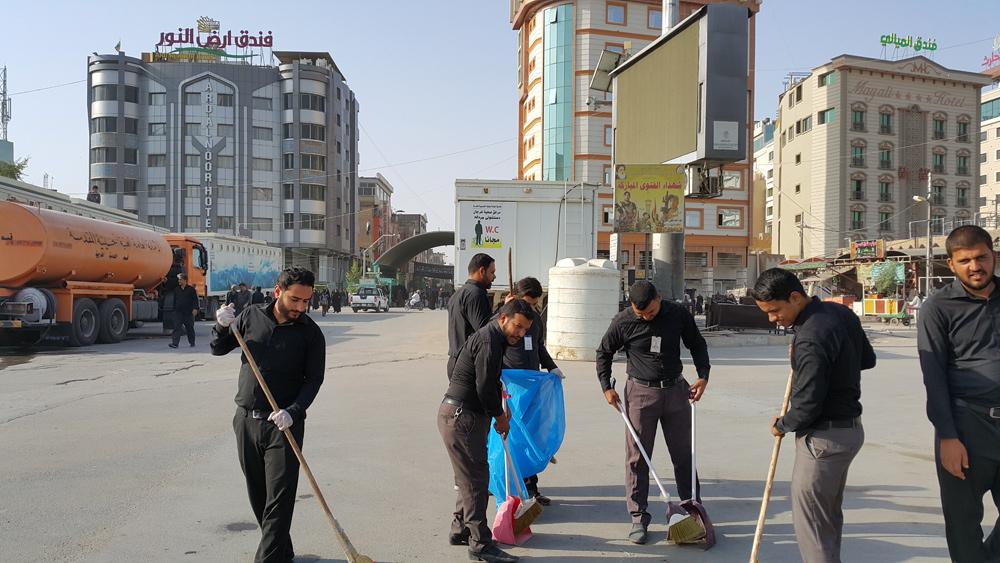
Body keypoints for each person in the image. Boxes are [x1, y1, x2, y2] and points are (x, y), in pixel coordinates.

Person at [751, 268, 875, 563]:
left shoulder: (810, 337)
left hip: (823, 442)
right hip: (849, 432)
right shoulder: (840, 314)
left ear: (795, 297)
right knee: (827, 516)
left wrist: (783, 424)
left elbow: (807, 405)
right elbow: (867, 360)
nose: (772, 319)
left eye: (775, 310)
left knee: (813, 527)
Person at [211, 267, 325, 563]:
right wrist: (223, 326)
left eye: (306, 301)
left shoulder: (310, 334)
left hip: (284, 427)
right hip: (246, 421)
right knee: (260, 498)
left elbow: (314, 380)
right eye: (295, 300)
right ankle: (282, 553)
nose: (301, 307)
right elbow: (218, 348)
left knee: (280, 501)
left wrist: (294, 411)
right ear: (278, 292)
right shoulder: (251, 316)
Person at [596, 281, 710, 544]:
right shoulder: (623, 321)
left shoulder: (678, 314)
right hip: (640, 393)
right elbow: (604, 353)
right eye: (640, 314)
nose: (645, 317)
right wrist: (606, 387)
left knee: (683, 455)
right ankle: (638, 518)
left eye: (649, 312)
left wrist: (703, 376)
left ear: (659, 298)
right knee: (638, 458)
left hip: (676, 391)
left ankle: (693, 511)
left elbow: (697, 343)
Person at [918, 225, 1000, 562]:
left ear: (993, 256)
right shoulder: (938, 307)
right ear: (951, 265)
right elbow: (933, 376)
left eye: (981, 257)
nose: (975, 266)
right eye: (964, 260)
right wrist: (948, 437)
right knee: (963, 522)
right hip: (967, 425)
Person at [439, 298, 534, 563]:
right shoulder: (490, 340)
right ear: (503, 318)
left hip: (463, 416)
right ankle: (480, 544)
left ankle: (460, 528)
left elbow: (489, 381)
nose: (521, 333)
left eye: (525, 329)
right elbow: (483, 387)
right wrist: (500, 417)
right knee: (478, 481)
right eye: (518, 326)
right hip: (462, 417)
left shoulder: (493, 338)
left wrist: (501, 407)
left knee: (469, 477)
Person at [496, 277, 564, 506]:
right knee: (514, 436)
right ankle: (511, 487)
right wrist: (505, 306)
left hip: (532, 384)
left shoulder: (535, 319)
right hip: (511, 385)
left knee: (532, 434)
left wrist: (552, 367)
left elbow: (539, 346)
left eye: (534, 304)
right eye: (527, 302)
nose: (530, 309)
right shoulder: (504, 318)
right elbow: (486, 332)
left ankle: (531, 487)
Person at [447, 253, 496, 380]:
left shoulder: (458, 294)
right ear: (481, 271)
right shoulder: (476, 294)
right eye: (492, 272)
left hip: (455, 360)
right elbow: (485, 332)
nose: (494, 277)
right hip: (468, 365)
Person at [168, 273, 199, 349]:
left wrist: (195, 309)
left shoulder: (191, 289)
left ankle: (192, 342)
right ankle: (175, 344)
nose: (179, 281)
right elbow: (174, 301)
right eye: (178, 279)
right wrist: (173, 311)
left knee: (189, 328)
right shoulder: (176, 289)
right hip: (178, 312)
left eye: (180, 279)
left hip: (188, 313)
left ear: (185, 280)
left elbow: (195, 300)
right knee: (177, 327)